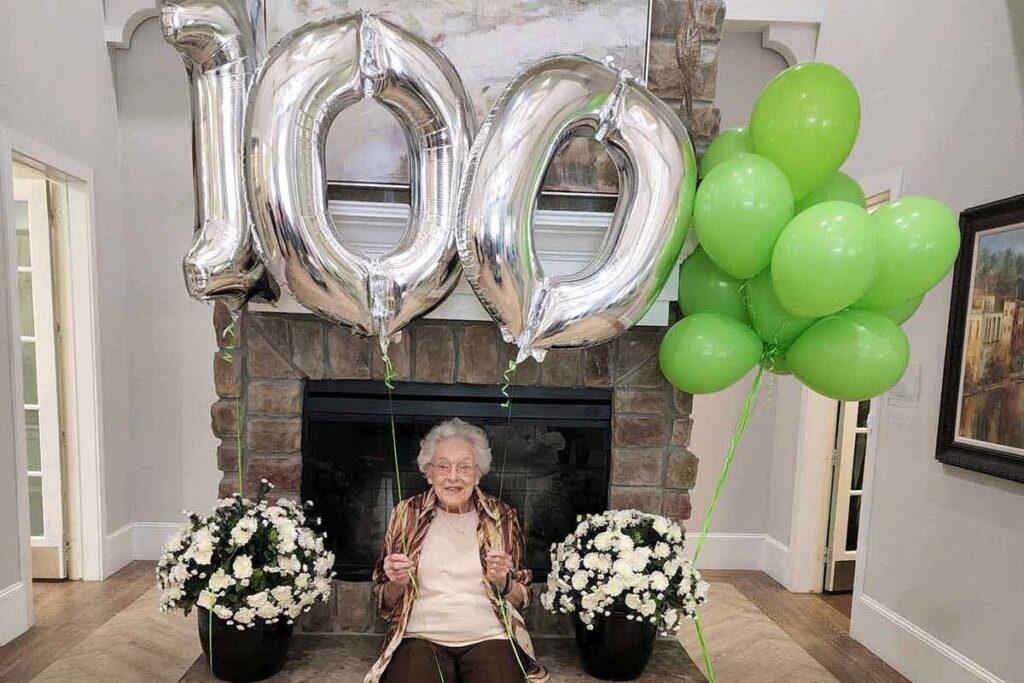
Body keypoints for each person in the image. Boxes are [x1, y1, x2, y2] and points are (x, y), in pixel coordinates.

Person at [364, 418, 548, 683]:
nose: (453, 476)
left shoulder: (502, 515)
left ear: (478, 473)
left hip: (490, 636)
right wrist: (397, 584)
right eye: (443, 466)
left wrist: (504, 583)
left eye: (464, 467)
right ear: (429, 473)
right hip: (420, 637)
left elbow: (523, 598)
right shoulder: (406, 513)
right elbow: (384, 600)